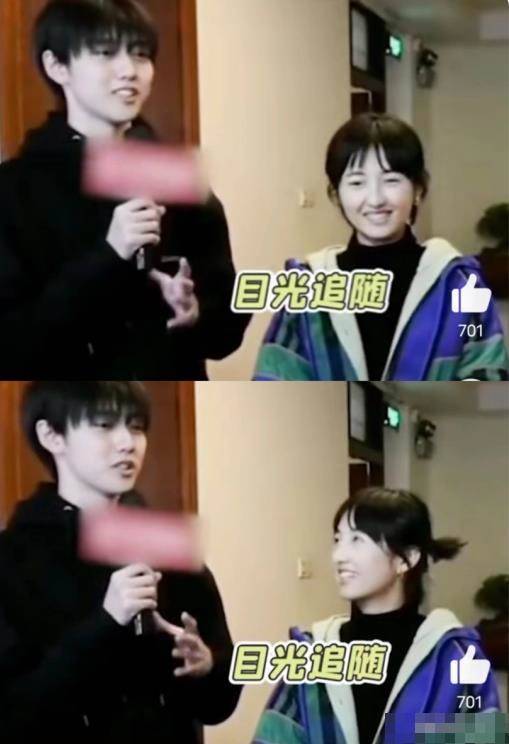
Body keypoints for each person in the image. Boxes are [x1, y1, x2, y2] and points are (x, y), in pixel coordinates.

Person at [0, 0, 250, 379]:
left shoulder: (177, 177)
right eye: (105, 53)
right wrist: (110, 254)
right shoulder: (15, 189)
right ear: (57, 66)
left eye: (140, 54)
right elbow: (13, 345)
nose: (129, 71)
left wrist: (196, 312)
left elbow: (226, 331)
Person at [0, 381, 241, 743]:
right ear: (52, 436)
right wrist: (107, 620)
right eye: (104, 424)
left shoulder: (168, 547)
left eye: (136, 426)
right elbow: (13, 716)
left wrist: (207, 668)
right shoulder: (13, 558)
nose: (128, 442)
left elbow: (218, 705)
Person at [254, 113, 508, 381]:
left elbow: (487, 374)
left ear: (418, 189)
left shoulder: (459, 282)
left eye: (391, 180)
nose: (375, 199)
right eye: (357, 183)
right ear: (336, 195)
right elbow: (275, 381)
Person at [253, 488, 500, 744]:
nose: (339, 556)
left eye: (357, 540)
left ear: (407, 559)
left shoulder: (455, 655)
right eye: (337, 539)